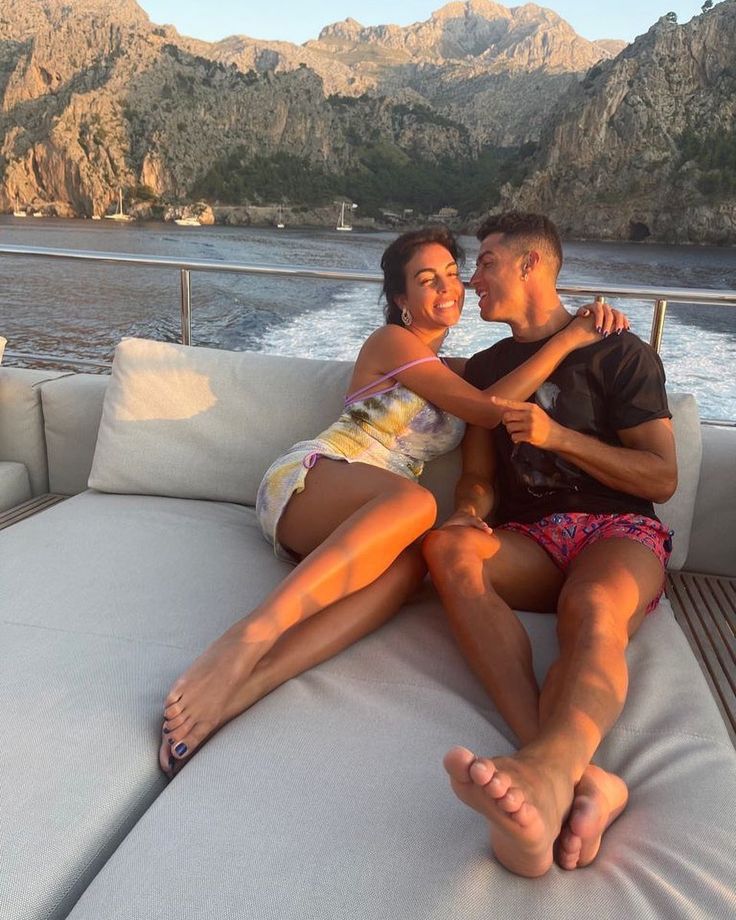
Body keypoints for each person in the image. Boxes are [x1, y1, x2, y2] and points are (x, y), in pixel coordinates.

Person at [159, 226, 627, 776]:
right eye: (427, 280)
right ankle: (246, 638)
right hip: (316, 478)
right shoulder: (390, 344)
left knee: (411, 565)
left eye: (454, 274)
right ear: (402, 300)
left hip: (370, 518)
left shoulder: (458, 372)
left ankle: (243, 690)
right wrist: (569, 339)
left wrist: (594, 319)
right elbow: (485, 410)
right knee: (416, 507)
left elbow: (490, 399)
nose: (448, 287)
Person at [421, 212, 677, 878]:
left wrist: (557, 436)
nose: (471, 279)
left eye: (486, 263)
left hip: (619, 531)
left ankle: (545, 775)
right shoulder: (485, 368)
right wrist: (468, 515)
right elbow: (477, 477)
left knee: (592, 607)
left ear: (531, 264)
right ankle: (572, 773)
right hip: (532, 537)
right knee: (446, 551)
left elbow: (662, 476)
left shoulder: (620, 351)